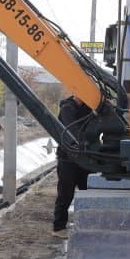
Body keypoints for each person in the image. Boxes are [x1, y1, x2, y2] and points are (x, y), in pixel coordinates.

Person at [53, 95, 93, 236]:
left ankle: (86, 225)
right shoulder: (67, 108)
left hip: (84, 159)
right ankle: (58, 228)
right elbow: (73, 131)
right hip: (67, 160)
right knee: (65, 194)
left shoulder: (88, 108)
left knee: (87, 193)